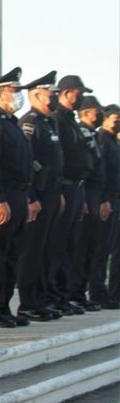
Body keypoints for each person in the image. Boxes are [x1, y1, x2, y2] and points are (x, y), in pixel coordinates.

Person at [0, 68, 40, 328]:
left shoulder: (10, 123)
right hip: (0, 195)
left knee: (12, 253)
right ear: (0, 94)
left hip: (17, 193)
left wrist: (26, 198)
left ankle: (3, 306)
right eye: (14, 92)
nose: (19, 96)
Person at [15, 71, 64, 321]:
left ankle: (41, 298)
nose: (54, 97)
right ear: (35, 95)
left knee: (46, 249)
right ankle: (28, 302)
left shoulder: (48, 122)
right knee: (32, 250)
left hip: (53, 193)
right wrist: (31, 196)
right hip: (38, 195)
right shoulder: (30, 122)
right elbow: (27, 162)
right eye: (50, 94)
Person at [49, 74, 94, 315]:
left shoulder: (70, 120)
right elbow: (58, 158)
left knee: (69, 245)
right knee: (58, 244)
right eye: (78, 93)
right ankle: (54, 295)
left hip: (76, 187)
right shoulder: (57, 119)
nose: (81, 98)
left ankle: (64, 295)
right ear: (66, 93)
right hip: (63, 186)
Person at [72, 96, 114, 308]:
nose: (99, 114)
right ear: (87, 112)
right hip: (87, 193)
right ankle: (79, 293)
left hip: (97, 194)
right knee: (82, 248)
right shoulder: (81, 132)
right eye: (97, 111)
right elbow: (85, 170)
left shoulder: (93, 135)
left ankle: (87, 293)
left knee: (94, 248)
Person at [101, 104, 120, 307]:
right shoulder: (102, 140)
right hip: (108, 199)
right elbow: (103, 174)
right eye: (115, 119)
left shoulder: (114, 142)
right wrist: (104, 198)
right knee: (105, 249)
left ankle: (114, 293)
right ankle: (109, 293)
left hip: (115, 198)